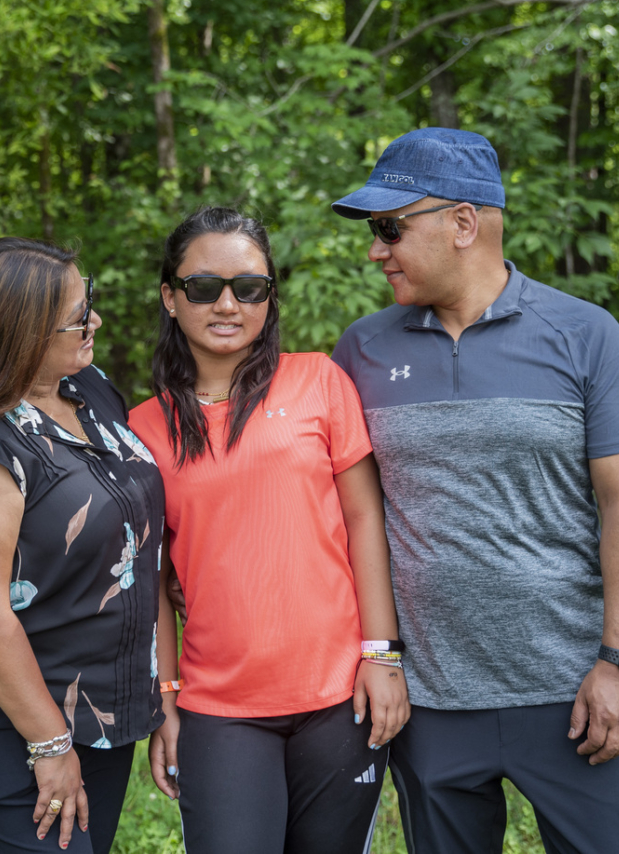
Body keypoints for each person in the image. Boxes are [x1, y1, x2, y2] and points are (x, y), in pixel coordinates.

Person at [328, 128, 619, 854]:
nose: (374, 250)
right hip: (432, 701)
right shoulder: (361, 350)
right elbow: (340, 511)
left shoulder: (586, 335)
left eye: (389, 228)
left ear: (463, 223)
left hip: (572, 695)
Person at [128, 206, 410, 854]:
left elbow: (366, 519)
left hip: (340, 697)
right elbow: (149, 580)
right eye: (203, 287)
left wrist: (382, 653)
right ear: (170, 297)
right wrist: (164, 698)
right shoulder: (142, 428)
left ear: (269, 296)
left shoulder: (318, 380)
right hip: (218, 706)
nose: (227, 303)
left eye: (249, 287)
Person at [0, 237, 165, 854]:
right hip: (11, 711)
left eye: (88, 301)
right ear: (22, 333)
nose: (94, 320)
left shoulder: (90, 390)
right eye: (78, 315)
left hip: (98, 704)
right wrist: (50, 745)